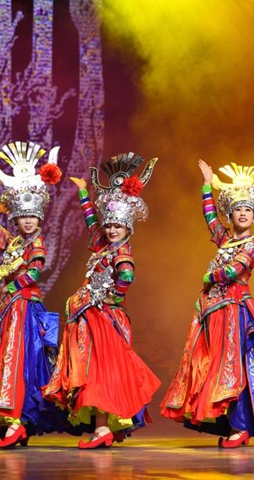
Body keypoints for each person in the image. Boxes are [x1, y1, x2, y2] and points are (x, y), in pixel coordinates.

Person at [161, 160, 254, 448]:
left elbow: (234, 270)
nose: (243, 213)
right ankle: (233, 424)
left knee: (235, 367)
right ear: (230, 214)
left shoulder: (252, 244)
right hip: (213, 311)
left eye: (248, 209)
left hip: (235, 310)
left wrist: (210, 275)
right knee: (213, 365)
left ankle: (241, 426)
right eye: (238, 209)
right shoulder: (224, 239)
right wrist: (207, 185)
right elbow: (210, 219)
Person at [43, 152, 161, 448]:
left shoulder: (122, 253)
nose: (111, 229)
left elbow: (127, 277)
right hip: (91, 315)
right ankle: (102, 429)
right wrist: (84, 192)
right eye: (109, 226)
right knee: (93, 369)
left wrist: (112, 298)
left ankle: (102, 429)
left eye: (117, 227)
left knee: (101, 371)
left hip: (105, 318)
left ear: (127, 228)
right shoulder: (102, 244)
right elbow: (91, 222)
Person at [0, 141, 63, 448]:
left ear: (39, 219)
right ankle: (15, 420)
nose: (27, 221)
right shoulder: (14, 244)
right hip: (8, 307)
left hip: (23, 308)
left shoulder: (36, 245)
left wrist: (11, 285)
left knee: (20, 361)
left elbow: (34, 273)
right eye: (22, 217)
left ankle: (17, 419)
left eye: (32, 217)